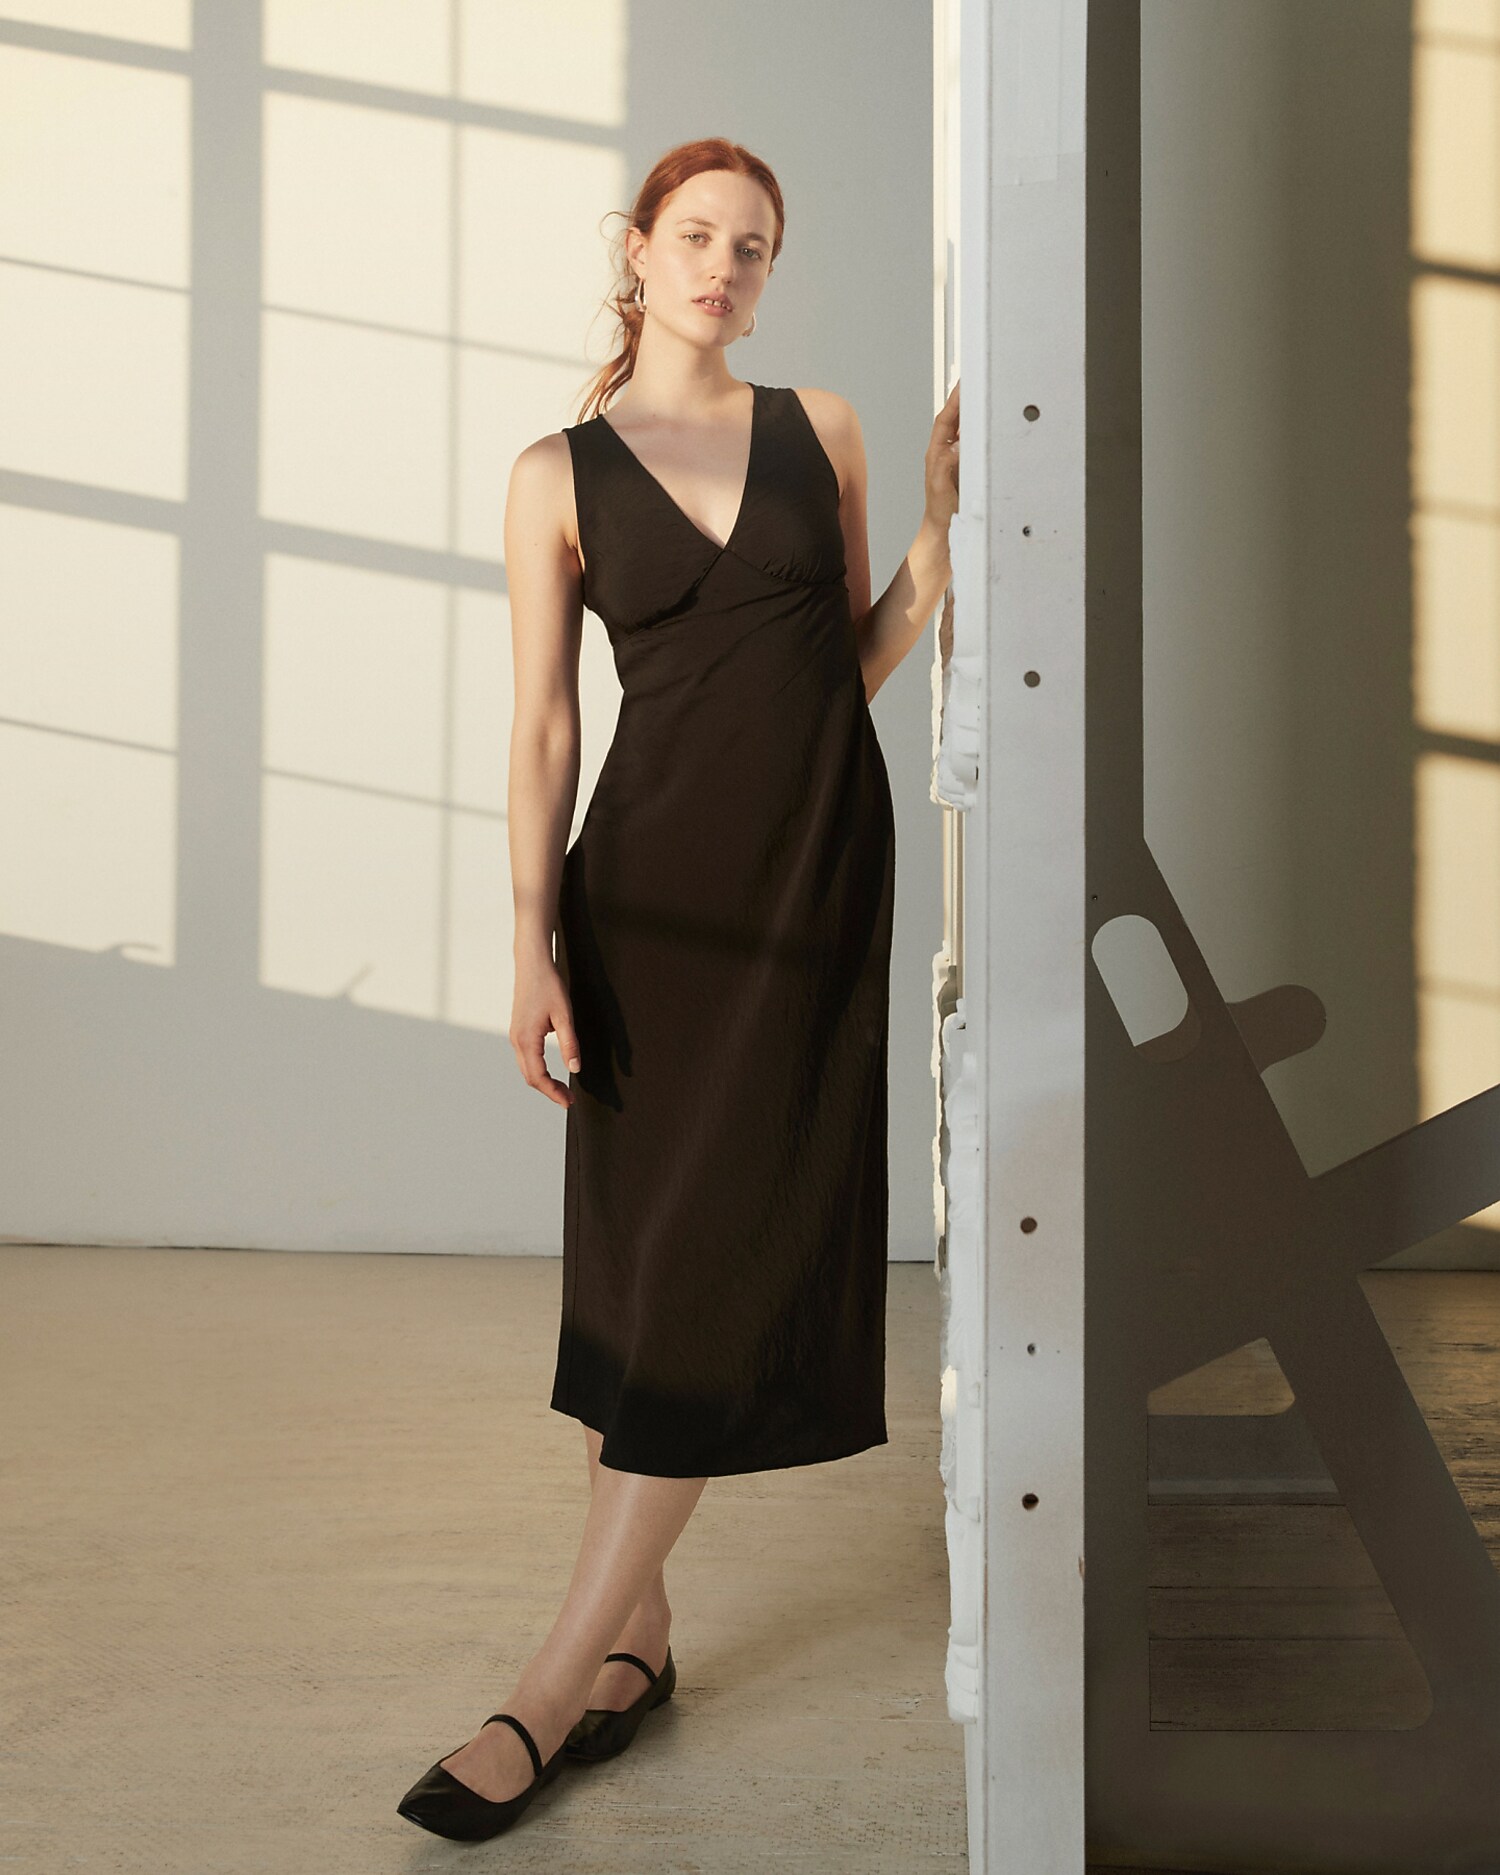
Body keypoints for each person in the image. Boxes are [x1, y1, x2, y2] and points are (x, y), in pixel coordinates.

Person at [398, 137, 959, 1844]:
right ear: (636, 252)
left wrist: (937, 543)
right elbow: (546, 730)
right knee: (647, 1264)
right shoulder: (554, 473)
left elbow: (841, 667)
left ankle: (553, 1685)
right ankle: (637, 1639)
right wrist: (525, 944)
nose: (726, 265)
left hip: (806, 891)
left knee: (713, 1263)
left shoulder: (826, 431)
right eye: (699, 235)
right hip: (639, 900)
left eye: (757, 246)